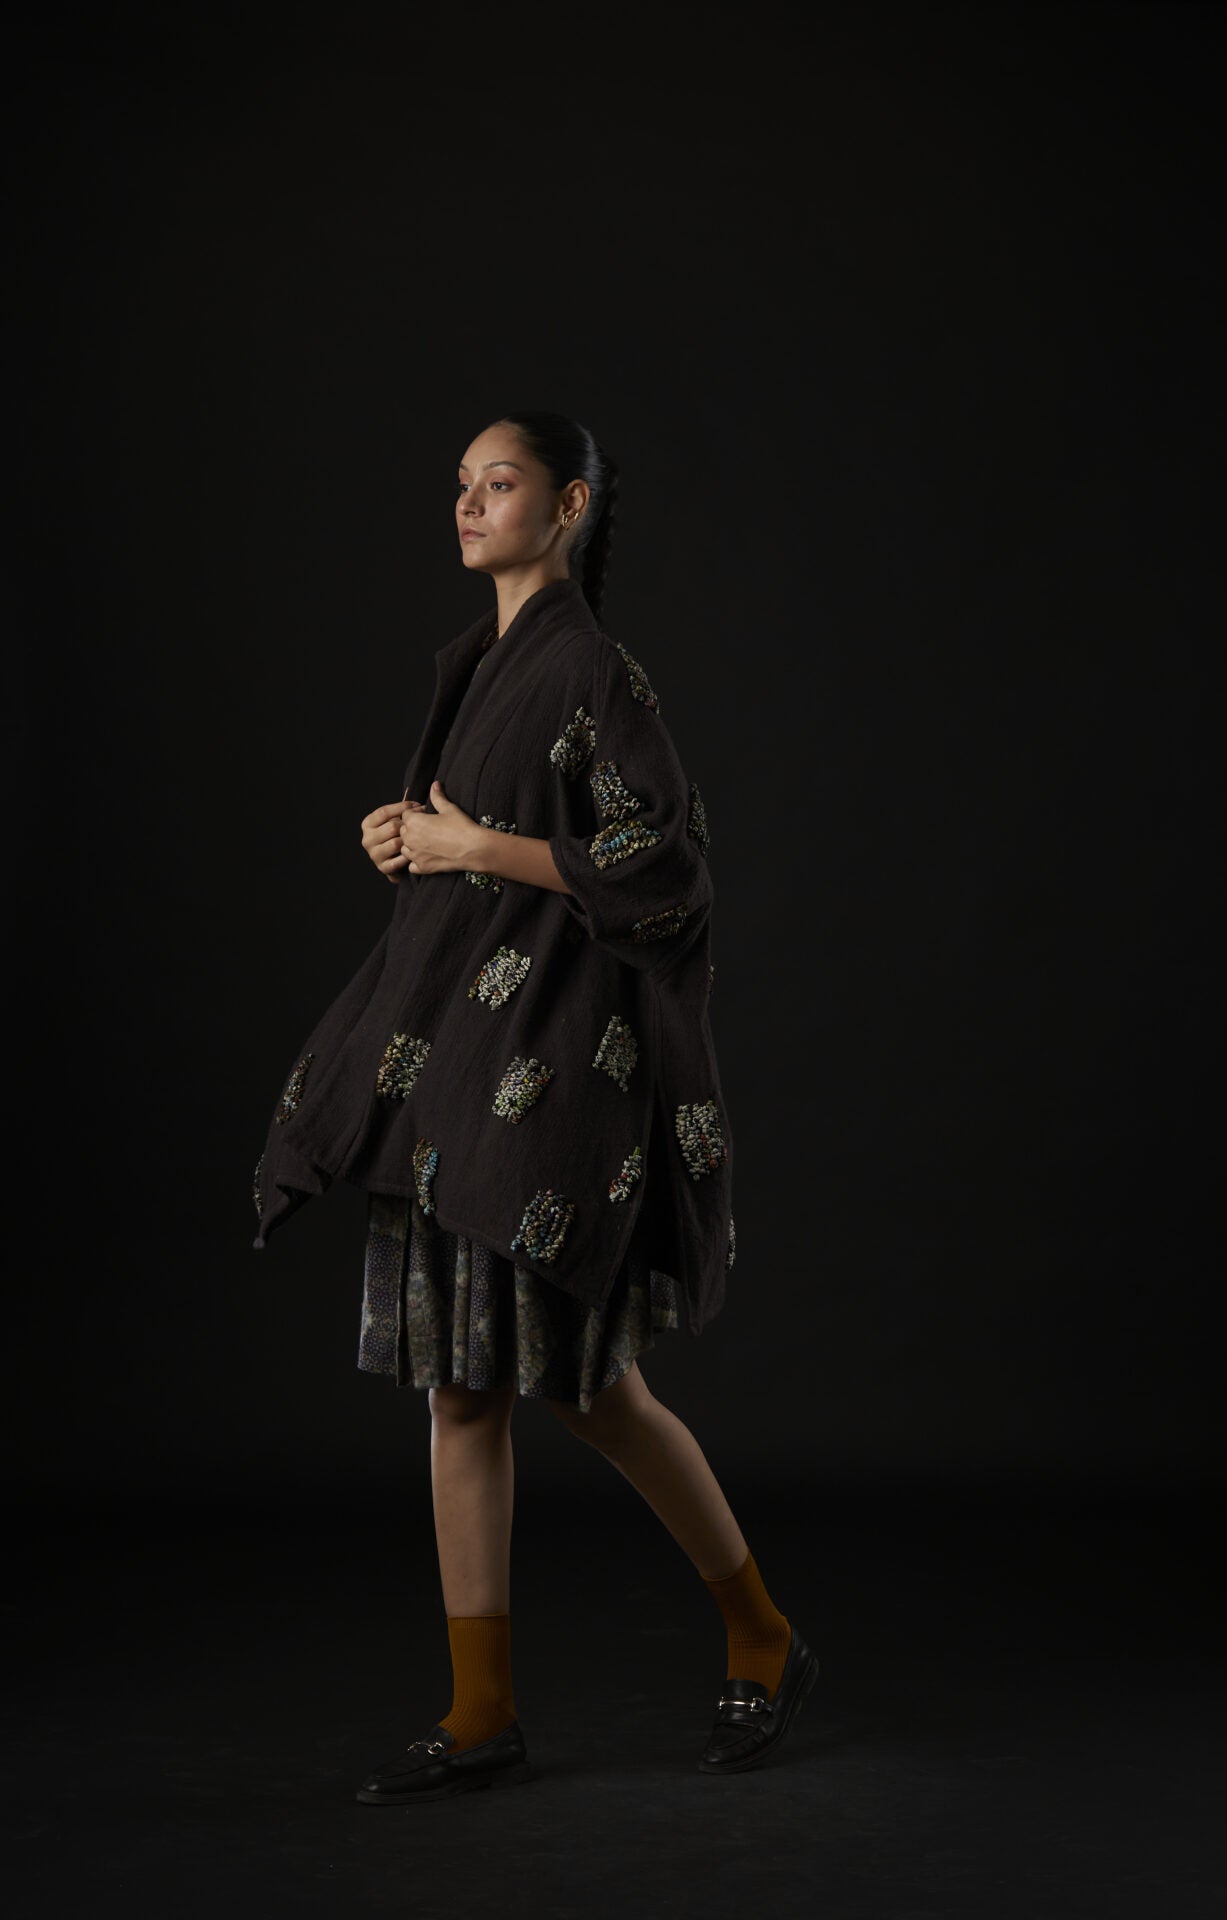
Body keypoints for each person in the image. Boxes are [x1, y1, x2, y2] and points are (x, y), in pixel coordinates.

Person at [250, 410, 818, 1805]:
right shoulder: (480, 662)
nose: (467, 503)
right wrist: (414, 841)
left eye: (497, 483)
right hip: (451, 1064)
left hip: (546, 1072)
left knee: (597, 1395)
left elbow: (662, 866)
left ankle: (762, 1630)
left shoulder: (591, 667)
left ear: (568, 507)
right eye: (459, 484)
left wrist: (475, 844)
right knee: (462, 1393)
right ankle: (482, 1709)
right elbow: (483, 852)